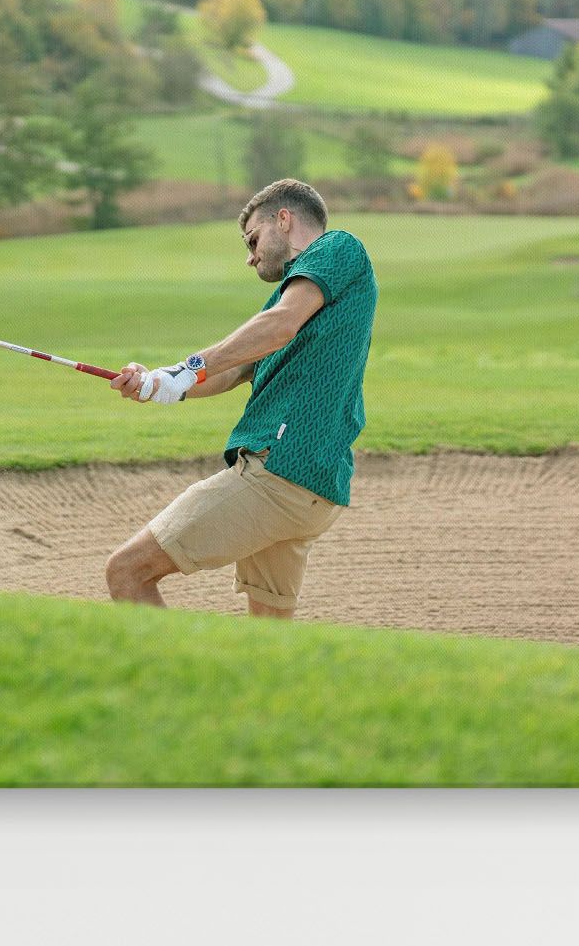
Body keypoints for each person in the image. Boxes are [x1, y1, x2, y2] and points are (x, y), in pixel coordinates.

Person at [105, 178, 376, 618]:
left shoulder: (337, 248)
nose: (250, 257)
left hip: (277, 472)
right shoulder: (292, 298)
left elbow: (280, 324)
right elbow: (231, 370)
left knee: (126, 573)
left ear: (284, 220)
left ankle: (181, 688)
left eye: (253, 239)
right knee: (266, 637)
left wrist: (186, 369)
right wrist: (157, 382)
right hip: (312, 486)